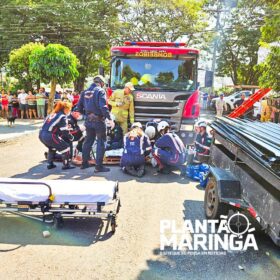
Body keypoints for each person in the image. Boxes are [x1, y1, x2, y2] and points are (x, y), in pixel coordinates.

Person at [77, 75, 114, 172]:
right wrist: (109, 119)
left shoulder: (84, 92)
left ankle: (84, 164)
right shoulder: (100, 91)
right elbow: (103, 107)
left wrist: (87, 115)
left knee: (88, 141)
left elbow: (79, 107)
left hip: (88, 121)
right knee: (101, 142)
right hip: (99, 121)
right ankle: (98, 167)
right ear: (101, 83)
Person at [39, 101, 75, 170]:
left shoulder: (51, 114)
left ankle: (50, 164)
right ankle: (66, 165)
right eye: (69, 109)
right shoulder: (62, 116)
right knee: (66, 148)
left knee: (52, 147)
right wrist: (71, 137)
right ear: (65, 109)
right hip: (50, 135)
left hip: (41, 134)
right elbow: (64, 131)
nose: (70, 111)